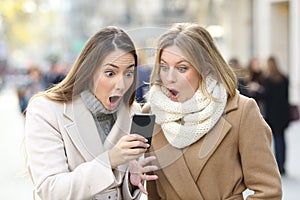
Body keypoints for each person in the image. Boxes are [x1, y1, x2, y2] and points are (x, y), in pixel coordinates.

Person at [142, 23, 282, 199]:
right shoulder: (150, 115)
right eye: (164, 67)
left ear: (205, 68)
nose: (169, 78)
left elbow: (269, 191)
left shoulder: (242, 112)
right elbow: (147, 189)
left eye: (182, 68)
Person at [24, 26, 157, 200]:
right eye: (110, 73)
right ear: (88, 71)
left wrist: (130, 183)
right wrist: (109, 160)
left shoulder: (132, 112)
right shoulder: (46, 110)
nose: (121, 84)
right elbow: (51, 190)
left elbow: (117, 190)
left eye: (129, 73)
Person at [261, 56, 289, 175]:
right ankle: (281, 164)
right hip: (283, 113)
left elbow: (266, 96)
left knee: (270, 139)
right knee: (281, 138)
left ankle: (273, 164)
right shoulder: (284, 78)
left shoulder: (267, 80)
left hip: (272, 114)